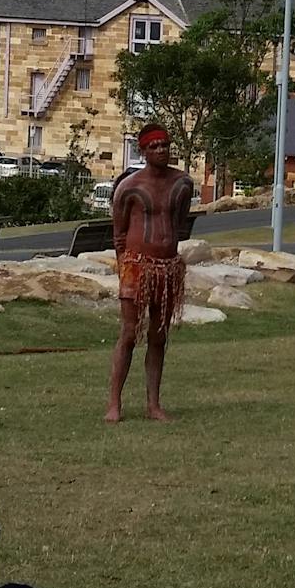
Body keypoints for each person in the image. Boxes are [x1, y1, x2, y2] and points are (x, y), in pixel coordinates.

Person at [106, 123, 196, 423]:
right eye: (154, 147)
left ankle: (153, 405)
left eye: (165, 145)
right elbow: (119, 234)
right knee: (129, 334)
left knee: (159, 336)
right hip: (136, 265)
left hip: (167, 267)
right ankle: (114, 404)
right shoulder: (128, 187)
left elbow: (180, 224)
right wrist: (124, 268)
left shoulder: (183, 184)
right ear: (143, 151)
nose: (161, 151)